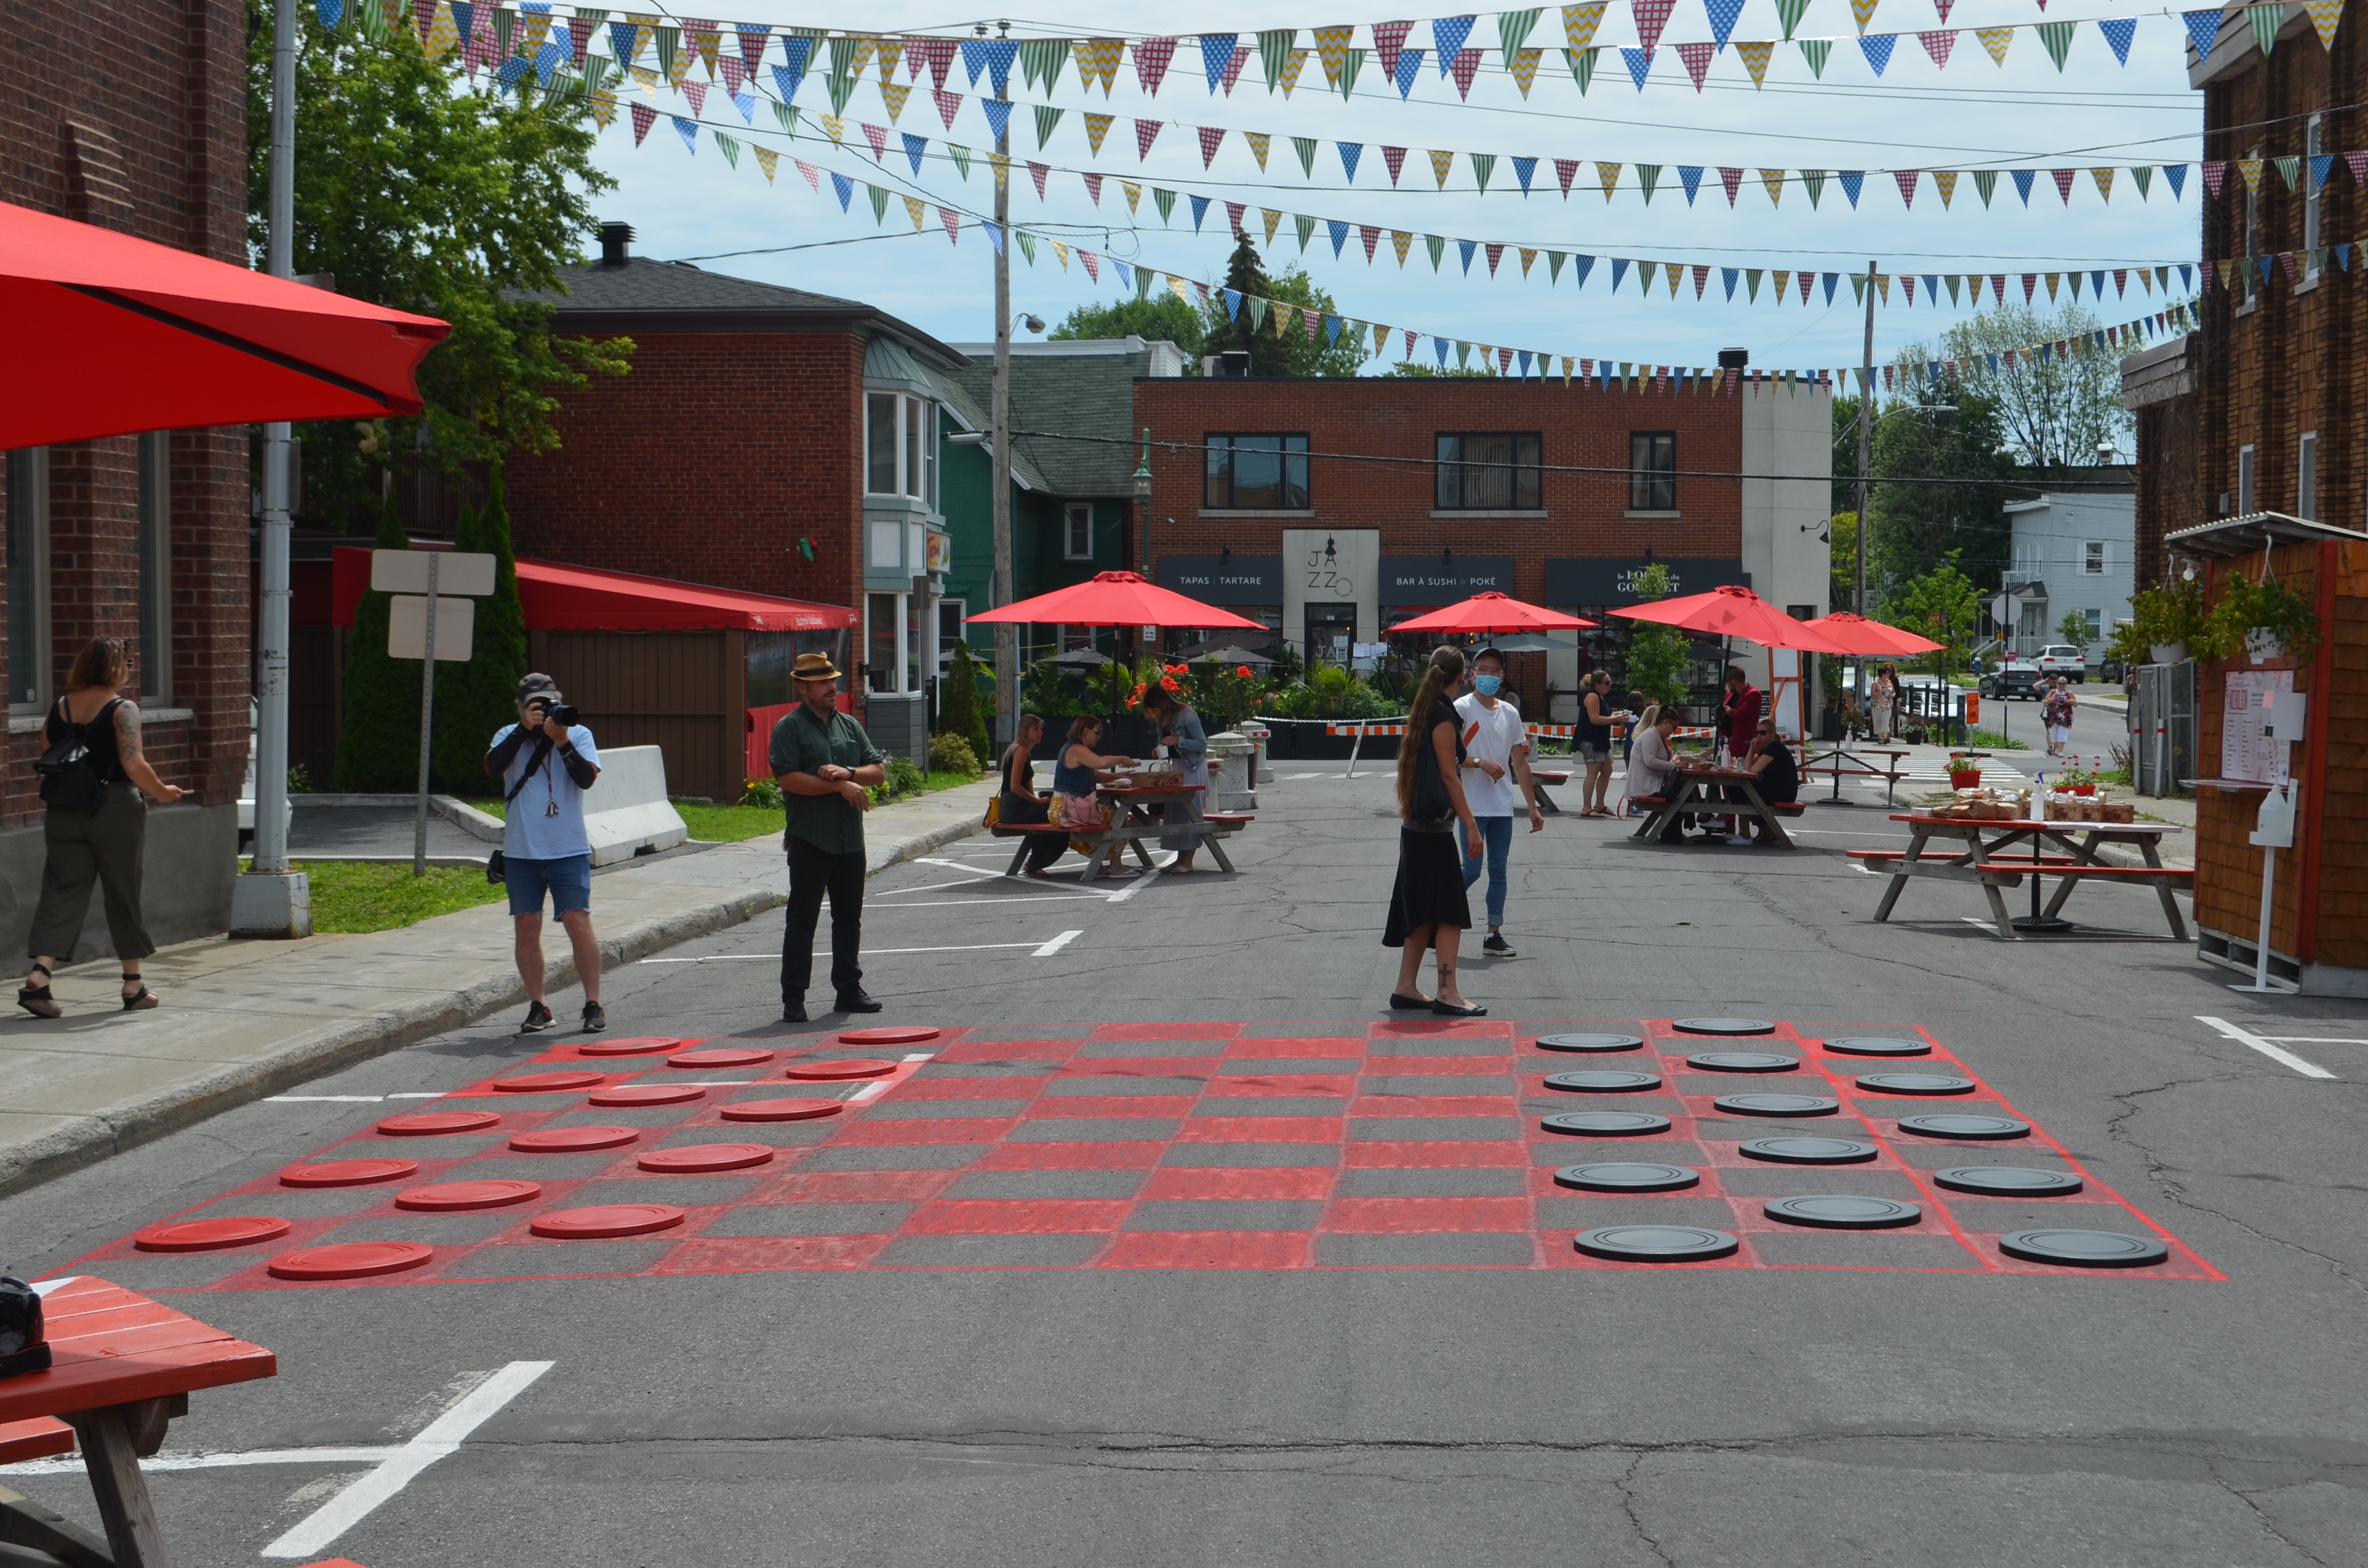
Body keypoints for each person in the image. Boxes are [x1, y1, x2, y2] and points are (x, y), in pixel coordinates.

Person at [19, 639, 185, 1019]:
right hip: (114, 808)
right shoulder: (122, 708)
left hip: (64, 808)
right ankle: (133, 985)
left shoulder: (61, 706)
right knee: (122, 889)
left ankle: (40, 976)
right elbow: (133, 763)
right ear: (117, 668)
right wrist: (161, 792)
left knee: (61, 889)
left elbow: (48, 751)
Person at [770, 651, 887, 1023]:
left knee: (848, 918)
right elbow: (788, 779)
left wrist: (849, 772)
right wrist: (840, 787)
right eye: (822, 682)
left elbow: (878, 772)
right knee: (802, 919)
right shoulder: (789, 728)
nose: (830, 687)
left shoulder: (849, 725)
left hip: (849, 840)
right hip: (810, 838)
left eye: (832, 680)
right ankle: (793, 997)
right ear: (802, 687)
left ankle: (848, 991)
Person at [485, 674, 605, 1034]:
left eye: (548, 703)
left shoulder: (577, 733)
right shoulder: (507, 734)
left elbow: (586, 779)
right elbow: (492, 768)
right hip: (522, 851)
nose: (543, 711)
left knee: (578, 923)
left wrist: (562, 740)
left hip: (567, 848)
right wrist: (524, 730)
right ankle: (539, 1005)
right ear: (521, 707)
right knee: (527, 926)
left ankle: (593, 1003)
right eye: (534, 705)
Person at [1386, 646, 1486, 1017]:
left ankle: (1407, 987)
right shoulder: (1443, 716)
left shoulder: (1425, 711)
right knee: (1448, 911)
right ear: (1462, 677)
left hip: (1415, 827)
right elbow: (1449, 773)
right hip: (1435, 829)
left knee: (1422, 912)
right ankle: (1448, 992)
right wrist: (1472, 825)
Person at [1452, 647, 1542, 956]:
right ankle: (1438, 916)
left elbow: (1520, 761)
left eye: (1494, 670)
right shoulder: (1461, 709)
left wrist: (1532, 806)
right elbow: (1450, 755)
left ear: (1502, 677)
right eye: (1483, 669)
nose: (1488, 675)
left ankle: (1493, 934)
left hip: (1502, 806)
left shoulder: (1510, 713)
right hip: (1472, 805)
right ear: (1471, 674)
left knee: (1499, 870)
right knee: (1471, 871)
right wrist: (1480, 763)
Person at [1052, 714, 1136, 876]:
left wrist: (1117, 777)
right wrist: (1122, 759)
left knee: (1109, 814)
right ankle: (1116, 867)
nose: (1099, 737)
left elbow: (1097, 774)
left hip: (1065, 807)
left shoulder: (1075, 749)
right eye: (1097, 732)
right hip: (1067, 809)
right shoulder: (1076, 749)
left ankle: (1098, 864)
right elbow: (1102, 763)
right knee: (1117, 817)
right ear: (1085, 730)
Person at [1142, 685, 1210, 872]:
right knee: (1176, 810)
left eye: (1155, 710)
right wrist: (1159, 750)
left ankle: (1188, 861)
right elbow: (1162, 739)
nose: (1153, 714)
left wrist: (1178, 741)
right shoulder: (1162, 718)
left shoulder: (1187, 714)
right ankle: (1180, 859)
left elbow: (1202, 744)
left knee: (1190, 811)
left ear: (1163, 704)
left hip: (1192, 766)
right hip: (1177, 765)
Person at [997, 714, 1067, 878]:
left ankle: (1036, 863)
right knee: (1061, 814)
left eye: (1041, 729)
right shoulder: (1020, 751)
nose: (1040, 732)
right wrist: (1037, 801)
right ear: (1024, 731)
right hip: (1013, 808)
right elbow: (1015, 787)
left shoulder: (1025, 753)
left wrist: (1039, 803)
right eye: (1036, 729)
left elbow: (1028, 785)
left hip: (1019, 806)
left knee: (1053, 813)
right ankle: (1035, 863)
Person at [1625, 705, 1691, 844]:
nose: (1674, 731)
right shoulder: (1651, 736)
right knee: (1685, 794)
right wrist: (1674, 765)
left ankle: (1672, 831)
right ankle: (1672, 832)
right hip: (1647, 786)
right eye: (1675, 727)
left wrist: (1672, 762)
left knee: (1686, 791)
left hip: (1652, 782)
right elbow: (1650, 761)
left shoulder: (1658, 736)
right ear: (1666, 722)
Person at [1741, 717, 1800, 844]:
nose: (1759, 736)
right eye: (1757, 733)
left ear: (1772, 734)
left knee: (1742, 792)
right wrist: (1752, 748)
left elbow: (1754, 770)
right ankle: (1765, 830)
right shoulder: (1766, 749)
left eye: (1763, 733)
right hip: (1774, 788)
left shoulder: (1775, 748)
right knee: (1743, 791)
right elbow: (1747, 769)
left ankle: (1746, 834)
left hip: (1783, 791)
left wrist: (1753, 753)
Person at [1575, 670, 1618, 817]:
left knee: (1607, 770)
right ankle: (1586, 807)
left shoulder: (1600, 696)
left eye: (1610, 682)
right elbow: (1595, 719)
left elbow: (1605, 716)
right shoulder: (1593, 696)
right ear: (1597, 684)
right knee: (1593, 772)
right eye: (1606, 683)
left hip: (1600, 739)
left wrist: (1617, 717)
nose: (1609, 685)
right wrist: (1614, 720)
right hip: (1591, 739)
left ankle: (1600, 804)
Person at [2044, 676, 2076, 757]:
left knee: (2062, 734)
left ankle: (2061, 751)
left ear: (2066, 684)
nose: (2061, 685)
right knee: (2054, 735)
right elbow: (2045, 702)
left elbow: (2076, 704)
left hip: (2065, 717)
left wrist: (2072, 701)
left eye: (2063, 684)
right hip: (2054, 717)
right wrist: (2049, 701)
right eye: (2060, 683)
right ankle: (2058, 749)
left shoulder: (2069, 693)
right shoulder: (2053, 692)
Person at [1870, 665, 1899, 744]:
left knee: (1886, 721)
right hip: (1877, 705)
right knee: (1878, 721)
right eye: (1887, 673)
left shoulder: (1889, 682)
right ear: (1882, 674)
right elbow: (1873, 694)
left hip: (1887, 705)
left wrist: (1893, 695)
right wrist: (1880, 693)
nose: (1889, 675)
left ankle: (1886, 737)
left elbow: (1894, 691)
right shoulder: (1876, 683)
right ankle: (1880, 738)